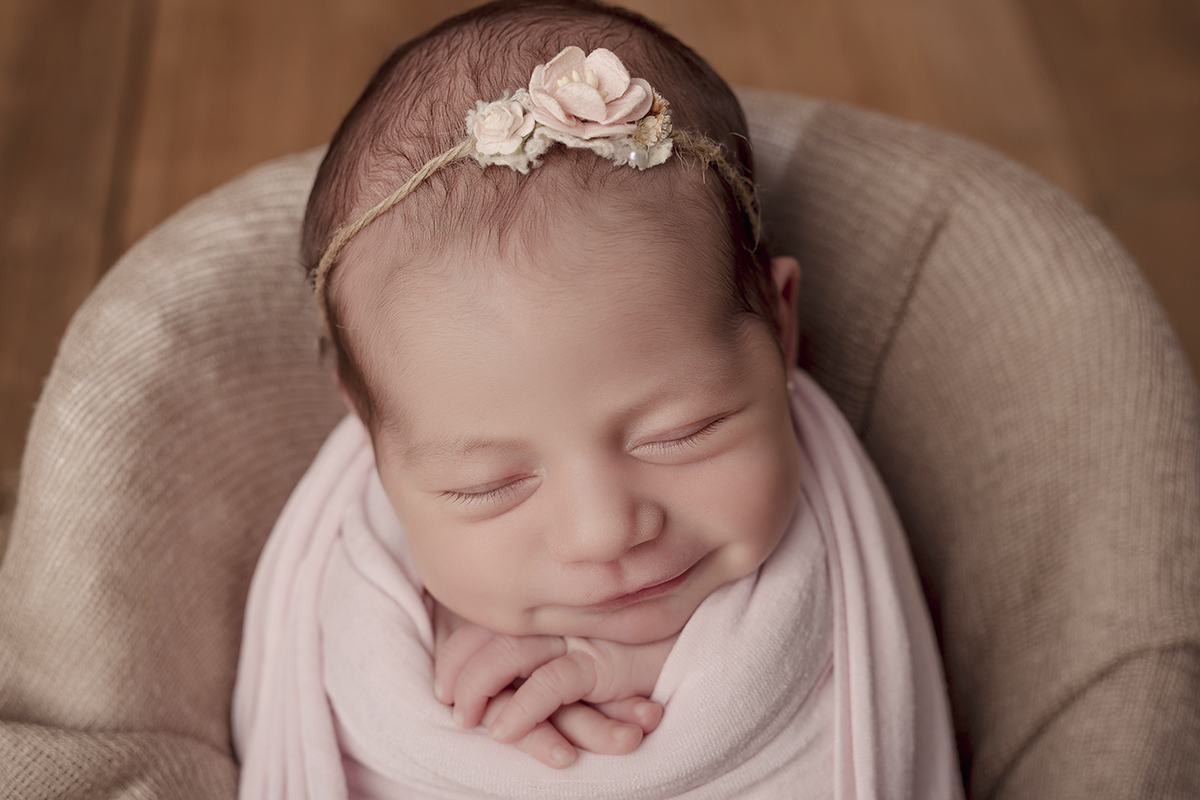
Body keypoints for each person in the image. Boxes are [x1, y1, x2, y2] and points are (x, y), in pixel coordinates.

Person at [232, 1, 963, 797]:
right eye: (490, 488)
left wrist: (636, 670)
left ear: (781, 328)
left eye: (681, 433)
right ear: (369, 432)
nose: (603, 531)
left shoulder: (815, 579)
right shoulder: (355, 586)